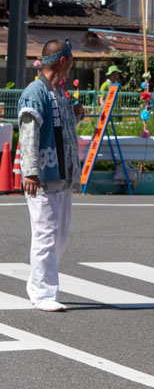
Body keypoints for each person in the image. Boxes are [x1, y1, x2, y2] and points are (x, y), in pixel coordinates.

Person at [18, 40, 83, 312]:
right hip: (43, 175)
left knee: (60, 235)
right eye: (70, 60)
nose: (71, 65)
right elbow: (29, 133)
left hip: (62, 174)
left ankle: (37, 284)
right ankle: (43, 293)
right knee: (45, 235)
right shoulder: (35, 92)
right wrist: (30, 171)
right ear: (62, 61)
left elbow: (61, 130)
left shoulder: (58, 92)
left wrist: (75, 115)